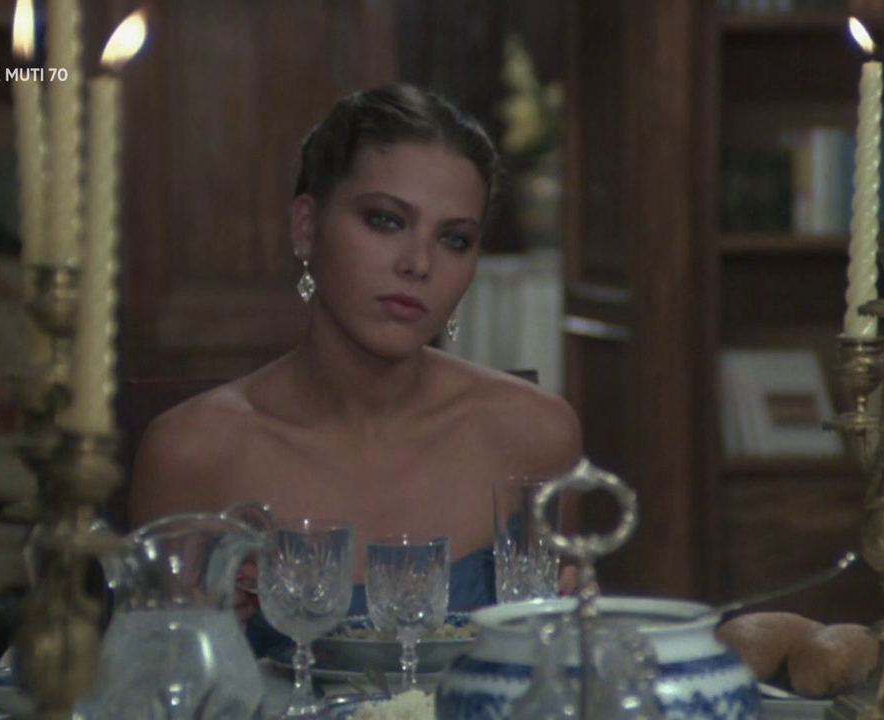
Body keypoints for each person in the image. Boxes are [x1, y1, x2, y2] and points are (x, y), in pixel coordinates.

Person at [126, 84, 582, 656]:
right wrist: (210, 640)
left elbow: (559, 674)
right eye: (386, 221)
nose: (418, 263)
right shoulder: (194, 454)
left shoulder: (535, 436)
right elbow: (149, 684)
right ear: (306, 226)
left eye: (454, 239)